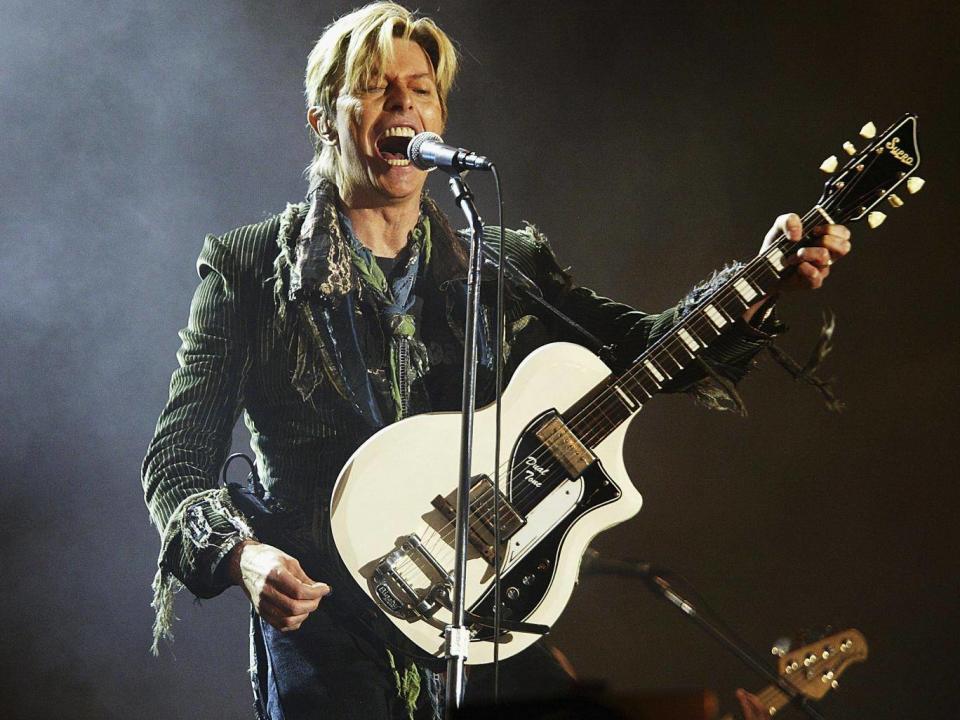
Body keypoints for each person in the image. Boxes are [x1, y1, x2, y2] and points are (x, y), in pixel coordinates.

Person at [141, 3, 852, 719]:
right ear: (323, 119)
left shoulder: (499, 261)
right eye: (377, 86)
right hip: (327, 620)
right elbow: (176, 461)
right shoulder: (253, 269)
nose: (404, 103)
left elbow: (649, 350)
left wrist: (760, 284)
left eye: (420, 89)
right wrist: (245, 557)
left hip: (478, 609)